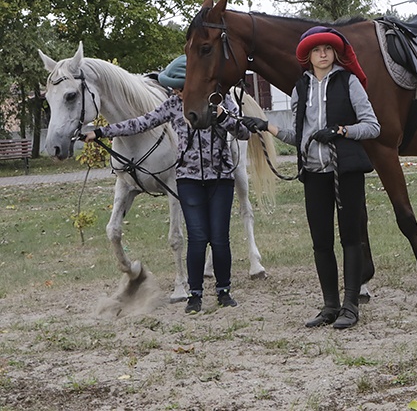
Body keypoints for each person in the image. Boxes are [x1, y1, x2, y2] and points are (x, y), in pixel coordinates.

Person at [84, 54, 250, 314]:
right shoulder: (173, 105)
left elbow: (243, 132)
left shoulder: (222, 101)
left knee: (219, 239)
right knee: (197, 238)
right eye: (174, 89)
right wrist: (101, 132)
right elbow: (140, 123)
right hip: (188, 180)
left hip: (221, 179)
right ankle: (194, 295)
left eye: (180, 88)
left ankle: (223, 291)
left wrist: (222, 116)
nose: (176, 93)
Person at [241, 26, 379, 330]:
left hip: (346, 172)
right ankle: (330, 304)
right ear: (308, 56)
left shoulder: (349, 82)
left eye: (328, 49)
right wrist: (265, 126)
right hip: (314, 173)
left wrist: (341, 131)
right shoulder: (299, 89)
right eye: (317, 50)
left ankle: (351, 305)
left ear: (334, 53)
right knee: (321, 242)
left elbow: (372, 126)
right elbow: (297, 135)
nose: (323, 54)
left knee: (350, 238)